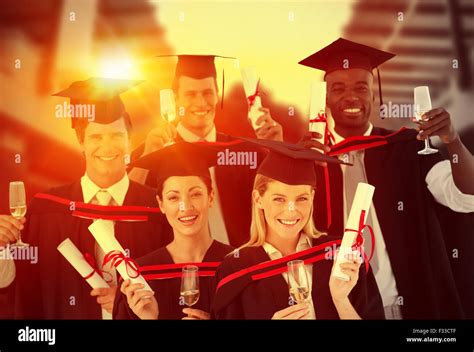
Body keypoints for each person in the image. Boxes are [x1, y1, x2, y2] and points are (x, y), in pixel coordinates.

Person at [298, 38, 474, 319]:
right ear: (326, 99)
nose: (351, 97)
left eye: (361, 87)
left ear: (374, 94)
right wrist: (297, 165)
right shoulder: (310, 161)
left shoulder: (408, 146)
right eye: (338, 89)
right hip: (340, 311)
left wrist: (452, 141)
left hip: (408, 309)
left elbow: (466, 198)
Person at [7, 77, 172, 319]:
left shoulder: (157, 209)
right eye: (96, 137)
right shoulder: (47, 210)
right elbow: (22, 288)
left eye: (116, 136)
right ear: (81, 141)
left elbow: (178, 285)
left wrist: (129, 303)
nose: (107, 147)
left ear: (129, 140)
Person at [212, 139, 384, 319]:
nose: (291, 210)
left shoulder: (340, 255)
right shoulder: (235, 269)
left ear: (312, 198)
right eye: (279, 199)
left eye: (302, 198)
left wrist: (341, 300)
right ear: (258, 199)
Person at [129, 55, 282, 247]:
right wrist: (146, 157)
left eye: (208, 93)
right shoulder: (154, 150)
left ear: (218, 95)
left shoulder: (243, 151)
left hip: (240, 265)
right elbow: (126, 207)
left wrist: (277, 150)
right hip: (178, 268)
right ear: (175, 99)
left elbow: (277, 203)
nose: (201, 103)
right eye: (191, 94)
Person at [114, 142, 233, 319]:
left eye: (195, 194)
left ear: (211, 197)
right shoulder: (140, 278)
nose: (185, 207)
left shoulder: (238, 268)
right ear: (161, 204)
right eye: (173, 197)